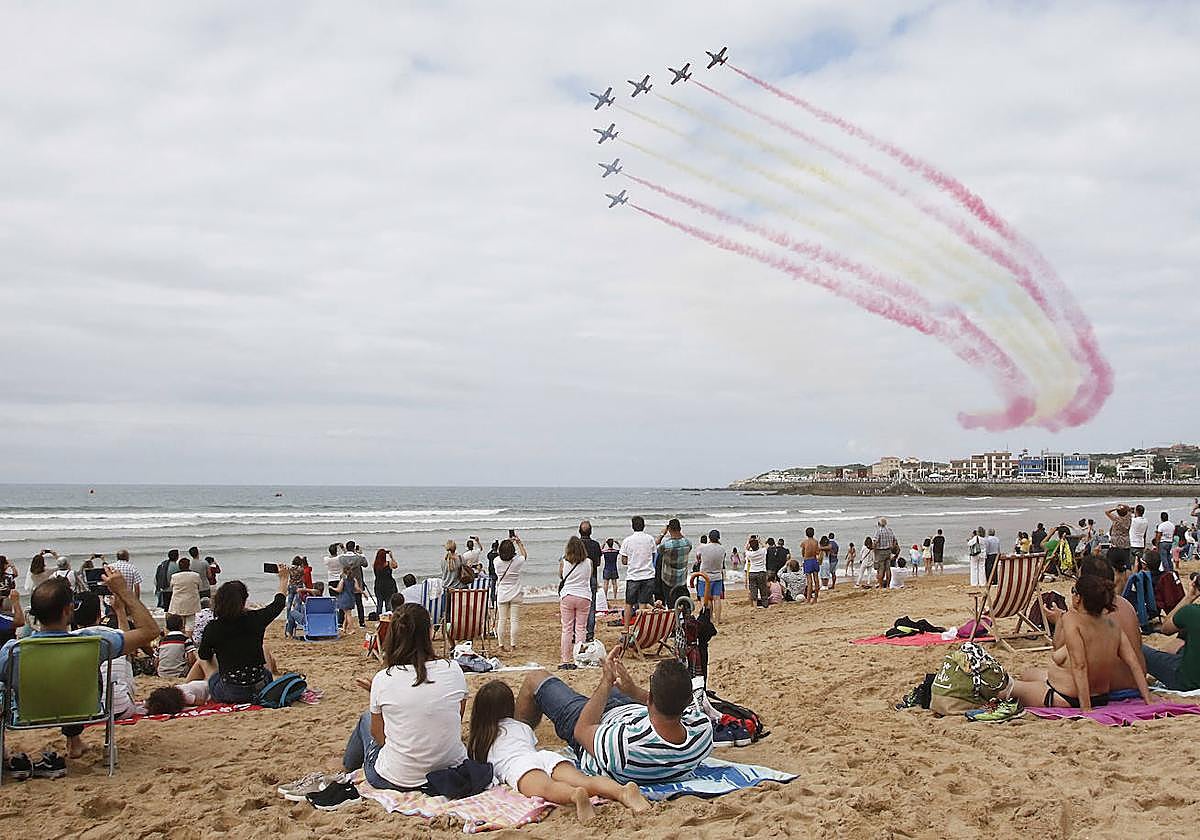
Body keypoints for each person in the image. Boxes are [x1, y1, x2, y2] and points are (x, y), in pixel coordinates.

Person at [0, 568, 157, 766]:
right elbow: (151, 631)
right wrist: (124, 592)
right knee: (72, 681)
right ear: (68, 610)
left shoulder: (13, 651)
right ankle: (74, 740)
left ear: (34, 613)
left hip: (26, 715)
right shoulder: (95, 643)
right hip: (84, 708)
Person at [517, 651, 712, 786]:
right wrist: (633, 691)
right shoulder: (701, 731)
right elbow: (667, 704)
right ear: (688, 702)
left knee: (535, 679)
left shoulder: (625, 745)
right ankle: (610, 690)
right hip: (630, 713)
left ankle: (514, 740)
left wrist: (606, 682)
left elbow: (582, 730)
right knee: (611, 691)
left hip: (593, 726)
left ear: (651, 698)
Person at [467, 680, 649, 821]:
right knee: (584, 779)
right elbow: (530, 743)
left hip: (519, 767)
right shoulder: (520, 726)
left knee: (548, 788)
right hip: (543, 756)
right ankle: (622, 791)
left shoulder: (480, 740)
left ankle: (574, 795)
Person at [342, 603, 468, 791]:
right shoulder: (453, 670)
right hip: (451, 770)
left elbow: (379, 736)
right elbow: (455, 714)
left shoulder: (384, 679)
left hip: (398, 778)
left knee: (366, 718)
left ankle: (346, 768)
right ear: (430, 633)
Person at [1002, 575, 1152, 711]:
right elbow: (1134, 663)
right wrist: (1148, 699)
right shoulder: (1112, 625)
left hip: (1068, 697)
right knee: (1027, 673)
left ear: (1078, 598)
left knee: (1007, 688)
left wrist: (1086, 709)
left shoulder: (1072, 620)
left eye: (1073, 591)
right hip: (1100, 697)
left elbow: (1080, 666)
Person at [197, 566, 289, 703]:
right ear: (244, 600)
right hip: (261, 685)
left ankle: (186, 687)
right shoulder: (256, 618)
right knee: (263, 651)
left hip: (231, 691)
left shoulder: (213, 627)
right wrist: (283, 579)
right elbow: (278, 604)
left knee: (202, 661)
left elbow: (204, 655)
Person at [1140, 572, 1200, 691]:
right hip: (1189, 667)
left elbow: (1165, 628)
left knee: (1137, 648)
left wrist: (1189, 597)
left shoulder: (1192, 613)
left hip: (1186, 681)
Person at [558, 536, 592, 670]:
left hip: (568, 595)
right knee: (581, 628)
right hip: (584, 596)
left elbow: (561, 576)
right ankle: (579, 657)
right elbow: (589, 577)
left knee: (567, 628)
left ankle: (565, 658)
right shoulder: (589, 562)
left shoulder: (564, 562)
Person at [618, 517, 657, 625]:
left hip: (633, 576)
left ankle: (626, 628)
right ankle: (640, 628)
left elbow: (624, 561)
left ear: (632, 526)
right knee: (643, 604)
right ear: (644, 526)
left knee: (629, 604)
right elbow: (653, 556)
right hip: (648, 575)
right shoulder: (650, 539)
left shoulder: (627, 540)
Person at [494, 536, 527, 653]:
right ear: (513, 551)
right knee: (514, 620)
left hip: (502, 593)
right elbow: (524, 555)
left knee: (502, 620)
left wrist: (507, 543)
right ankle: (513, 645)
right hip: (516, 593)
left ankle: (501, 645)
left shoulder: (496, 561)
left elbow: (501, 555)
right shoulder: (517, 561)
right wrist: (519, 543)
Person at [655, 519, 692, 607]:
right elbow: (682, 539)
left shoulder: (666, 546)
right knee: (683, 603)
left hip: (668, 579)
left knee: (671, 604)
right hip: (682, 579)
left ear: (669, 529)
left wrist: (662, 534)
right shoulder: (688, 543)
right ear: (680, 528)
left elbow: (655, 546)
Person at [577, 521, 603, 643]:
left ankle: (576, 632)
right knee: (591, 607)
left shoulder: (575, 545)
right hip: (592, 577)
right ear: (591, 531)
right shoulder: (595, 545)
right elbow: (598, 563)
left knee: (577, 607)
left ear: (579, 531)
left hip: (578, 578)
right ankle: (590, 633)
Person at [693, 530, 726, 624]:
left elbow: (698, 558)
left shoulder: (703, 547)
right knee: (717, 598)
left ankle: (710, 618)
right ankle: (718, 620)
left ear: (709, 538)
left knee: (706, 599)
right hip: (717, 576)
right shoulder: (722, 548)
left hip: (704, 576)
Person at [168, 556, 203, 631]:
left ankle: (180, 638)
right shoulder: (195, 575)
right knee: (190, 623)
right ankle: (188, 639)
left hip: (178, 602)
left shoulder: (174, 576)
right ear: (189, 565)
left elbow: (171, 587)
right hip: (192, 602)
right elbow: (200, 587)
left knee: (179, 623)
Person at [341, 541, 369, 628]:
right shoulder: (358, 557)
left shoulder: (341, 558)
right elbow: (365, 564)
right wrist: (361, 554)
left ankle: (341, 621)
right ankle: (361, 622)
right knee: (359, 603)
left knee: (344, 603)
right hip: (357, 582)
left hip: (346, 583)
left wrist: (344, 551)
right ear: (353, 548)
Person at [331, 566, 363, 636]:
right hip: (351, 598)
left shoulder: (343, 580)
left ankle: (352, 629)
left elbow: (339, 590)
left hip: (344, 598)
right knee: (347, 613)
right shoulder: (354, 579)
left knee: (348, 614)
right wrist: (363, 593)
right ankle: (344, 628)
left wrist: (332, 588)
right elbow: (357, 588)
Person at [744, 535, 768, 608]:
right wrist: (760, 541)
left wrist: (748, 540)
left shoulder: (749, 554)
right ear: (758, 545)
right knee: (763, 589)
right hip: (761, 571)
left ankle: (755, 606)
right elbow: (766, 546)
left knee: (753, 590)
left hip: (752, 572)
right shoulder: (762, 551)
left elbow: (745, 549)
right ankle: (765, 605)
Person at [372, 549, 398, 615]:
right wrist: (391, 557)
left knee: (379, 604)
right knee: (388, 604)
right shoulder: (388, 564)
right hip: (389, 586)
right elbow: (395, 566)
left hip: (378, 585)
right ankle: (388, 619)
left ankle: (378, 618)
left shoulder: (375, 564)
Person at [873, 518, 896, 590]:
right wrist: (892, 547)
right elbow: (894, 540)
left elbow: (875, 542)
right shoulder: (890, 530)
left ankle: (880, 586)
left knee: (881, 569)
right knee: (888, 569)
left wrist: (874, 550)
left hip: (881, 551)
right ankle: (888, 585)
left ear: (879, 524)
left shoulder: (878, 531)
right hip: (888, 551)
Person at [600, 539, 620, 605]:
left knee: (606, 584)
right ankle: (615, 597)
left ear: (607, 544)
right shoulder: (615, 551)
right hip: (614, 568)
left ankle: (605, 597)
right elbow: (622, 550)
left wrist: (603, 544)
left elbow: (600, 551)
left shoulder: (605, 551)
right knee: (614, 583)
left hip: (607, 568)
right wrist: (618, 543)